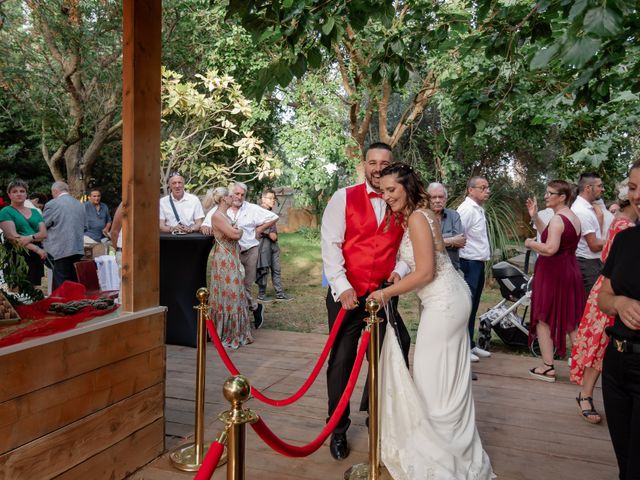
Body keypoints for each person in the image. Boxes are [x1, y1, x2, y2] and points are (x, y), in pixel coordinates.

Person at [366, 163, 494, 479]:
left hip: (443, 303)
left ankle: (440, 452)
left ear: (408, 187)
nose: (386, 196)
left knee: (431, 380)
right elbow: (431, 256)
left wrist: (384, 294)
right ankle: (453, 446)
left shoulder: (416, 218)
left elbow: (426, 272)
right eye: (383, 191)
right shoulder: (425, 214)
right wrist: (400, 269)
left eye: (391, 190)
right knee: (446, 379)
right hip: (453, 296)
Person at [321, 142, 411, 461]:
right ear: (364, 165)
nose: (376, 168)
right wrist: (343, 287)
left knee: (386, 357)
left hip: (383, 295)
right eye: (372, 162)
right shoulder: (342, 197)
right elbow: (330, 245)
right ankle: (338, 429)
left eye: (383, 163)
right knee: (342, 362)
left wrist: (399, 272)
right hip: (348, 295)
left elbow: (407, 249)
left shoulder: (401, 202)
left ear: (391, 166)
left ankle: (376, 418)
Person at [570, 178, 637, 424]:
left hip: (619, 290)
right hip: (611, 290)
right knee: (599, 345)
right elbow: (609, 257)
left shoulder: (627, 221)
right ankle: (585, 395)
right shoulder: (623, 225)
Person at [597, 159, 640, 479]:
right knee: (624, 463)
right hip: (616, 364)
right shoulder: (626, 240)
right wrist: (621, 302)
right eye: (634, 188)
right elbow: (603, 297)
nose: (637, 196)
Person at [524, 180, 585, 382]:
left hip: (553, 274)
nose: (546, 196)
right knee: (571, 321)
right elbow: (549, 236)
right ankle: (583, 369)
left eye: (550, 193)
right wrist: (535, 217)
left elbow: (550, 248)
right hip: (569, 271)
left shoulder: (559, 219)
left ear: (562, 197)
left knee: (543, 318)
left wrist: (531, 243)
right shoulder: (571, 217)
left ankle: (548, 367)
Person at [202, 182, 278, 329]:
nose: (239, 197)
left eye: (242, 195)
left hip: (250, 250)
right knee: (235, 287)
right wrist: (205, 227)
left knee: (245, 286)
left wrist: (259, 230)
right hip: (230, 254)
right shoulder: (221, 210)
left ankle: (239, 322)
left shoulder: (251, 208)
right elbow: (207, 223)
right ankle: (255, 309)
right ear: (229, 196)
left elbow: (274, 216)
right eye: (236, 194)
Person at [207, 186, 253, 349]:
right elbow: (234, 234)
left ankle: (237, 331)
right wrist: (239, 230)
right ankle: (226, 332)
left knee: (236, 292)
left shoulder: (225, 215)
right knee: (229, 294)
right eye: (229, 195)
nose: (233, 196)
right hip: (224, 259)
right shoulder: (217, 216)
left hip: (231, 257)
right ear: (223, 199)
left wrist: (237, 230)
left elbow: (235, 232)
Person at [457, 176, 492, 362]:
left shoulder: (478, 209)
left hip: (477, 263)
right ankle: (463, 348)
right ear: (471, 190)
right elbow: (457, 234)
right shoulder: (467, 210)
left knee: (474, 305)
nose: (487, 190)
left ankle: (470, 344)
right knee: (466, 306)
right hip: (468, 263)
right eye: (482, 187)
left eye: (487, 187)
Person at [0, 179, 48, 286]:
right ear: (9, 195)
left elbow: (44, 233)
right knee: (18, 292)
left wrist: (30, 237)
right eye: (15, 191)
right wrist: (37, 249)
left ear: (26, 194)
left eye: (22, 191)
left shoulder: (35, 211)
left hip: (35, 256)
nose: (19, 194)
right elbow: (13, 238)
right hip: (18, 256)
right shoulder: (6, 211)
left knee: (34, 289)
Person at [43, 181, 86, 289]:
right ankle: (72, 304)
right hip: (77, 249)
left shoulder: (52, 204)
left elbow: (42, 226)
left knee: (61, 286)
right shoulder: (80, 205)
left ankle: (62, 305)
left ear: (55, 191)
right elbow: (85, 227)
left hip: (59, 250)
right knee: (73, 283)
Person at [571, 172, 606, 296]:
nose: (603, 189)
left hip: (591, 263)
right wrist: (616, 239)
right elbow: (594, 245)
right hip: (587, 265)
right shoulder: (582, 211)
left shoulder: (587, 208)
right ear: (588, 188)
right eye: (599, 186)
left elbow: (596, 237)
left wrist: (600, 217)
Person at [255, 189, 291, 302]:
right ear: (263, 199)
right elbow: (272, 235)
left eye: (273, 198)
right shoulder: (259, 212)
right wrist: (269, 233)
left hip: (273, 245)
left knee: (276, 269)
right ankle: (261, 294)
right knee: (263, 269)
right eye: (270, 198)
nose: (273, 201)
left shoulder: (271, 213)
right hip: (263, 245)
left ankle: (279, 293)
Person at [426, 182, 465, 270]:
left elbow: (460, 241)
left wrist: (432, 241)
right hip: (429, 270)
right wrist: (452, 240)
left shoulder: (454, 215)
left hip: (452, 269)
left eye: (440, 197)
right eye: (433, 197)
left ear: (445, 199)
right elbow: (422, 245)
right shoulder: (422, 216)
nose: (437, 200)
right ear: (428, 199)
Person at [84, 188, 112, 257]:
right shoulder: (85, 206)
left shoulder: (104, 206)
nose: (97, 198)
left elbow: (109, 220)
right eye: (94, 196)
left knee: (102, 259)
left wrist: (107, 228)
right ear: (89, 197)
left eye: (98, 196)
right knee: (90, 260)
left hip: (102, 238)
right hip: (88, 238)